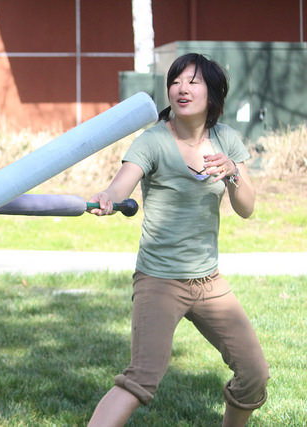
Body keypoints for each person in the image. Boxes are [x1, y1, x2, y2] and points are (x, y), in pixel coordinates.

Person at [86, 53, 269, 426]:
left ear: (213, 93)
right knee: (140, 380)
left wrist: (233, 172)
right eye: (175, 81)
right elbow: (122, 184)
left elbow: (248, 208)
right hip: (160, 281)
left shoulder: (226, 139)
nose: (182, 88)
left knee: (254, 375)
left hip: (209, 282)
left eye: (193, 81)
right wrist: (109, 198)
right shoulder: (152, 141)